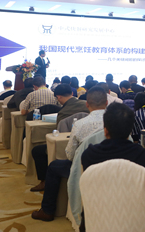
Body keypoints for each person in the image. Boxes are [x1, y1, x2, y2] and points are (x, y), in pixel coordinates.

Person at [30, 87, 108, 221]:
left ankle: (47, 210)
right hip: (113, 166)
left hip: (85, 168)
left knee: (53, 167)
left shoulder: (80, 124)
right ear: (106, 103)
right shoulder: (116, 122)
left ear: (87, 104)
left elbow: (70, 155)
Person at [81, 103, 145, 192]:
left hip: (98, 201)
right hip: (137, 201)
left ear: (105, 131)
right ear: (130, 131)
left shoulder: (89, 156)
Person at [29, 84, 90, 192]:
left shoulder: (63, 112)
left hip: (70, 145)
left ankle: (44, 181)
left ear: (59, 97)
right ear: (72, 93)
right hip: (89, 144)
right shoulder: (86, 105)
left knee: (37, 150)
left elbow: (60, 133)